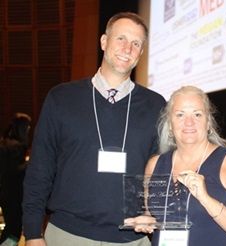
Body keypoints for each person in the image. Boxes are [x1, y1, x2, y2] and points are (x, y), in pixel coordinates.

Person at [22, 12, 166, 246]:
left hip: (131, 240)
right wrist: (32, 233)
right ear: (103, 42)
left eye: (136, 43)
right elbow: (40, 169)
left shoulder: (156, 105)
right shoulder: (61, 98)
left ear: (141, 53)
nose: (127, 48)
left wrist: (154, 213)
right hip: (66, 235)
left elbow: (161, 173)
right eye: (121, 38)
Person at [124, 86, 226, 245]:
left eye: (197, 114)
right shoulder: (154, 165)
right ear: (170, 124)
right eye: (180, 115)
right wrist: (145, 221)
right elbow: (150, 213)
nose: (189, 122)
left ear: (208, 122)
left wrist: (205, 198)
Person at [0, 113, 31, 246]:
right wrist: (29, 164)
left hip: (5, 192)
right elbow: (13, 171)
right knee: (14, 230)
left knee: (12, 229)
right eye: (27, 127)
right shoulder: (16, 147)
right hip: (13, 194)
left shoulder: (4, 143)